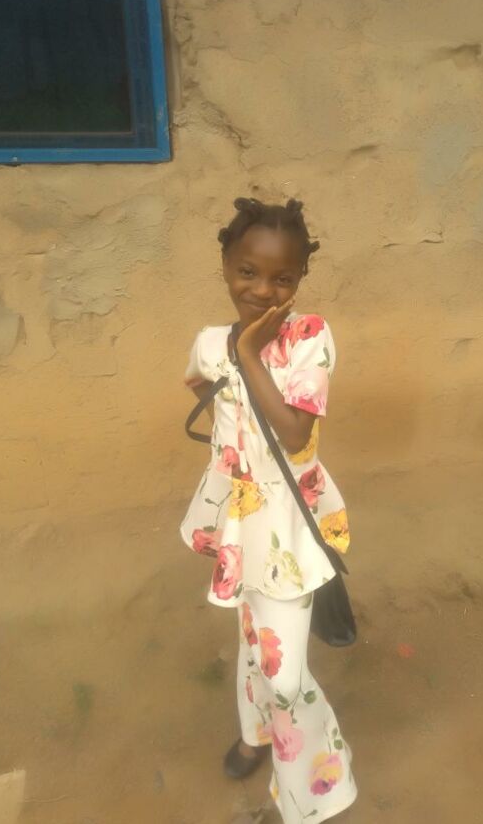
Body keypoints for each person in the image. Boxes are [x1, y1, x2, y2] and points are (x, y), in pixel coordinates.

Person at [180, 197, 358, 823]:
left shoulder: (310, 338)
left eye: (282, 278)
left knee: (285, 674)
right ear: (226, 267)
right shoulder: (211, 342)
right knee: (254, 635)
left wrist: (252, 355)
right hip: (240, 520)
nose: (262, 290)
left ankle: (317, 791)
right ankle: (254, 732)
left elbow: (294, 433)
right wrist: (231, 450)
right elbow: (199, 382)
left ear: (300, 278)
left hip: (288, 528)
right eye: (247, 272)